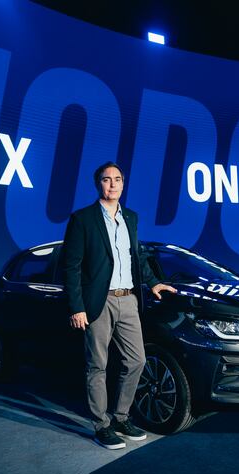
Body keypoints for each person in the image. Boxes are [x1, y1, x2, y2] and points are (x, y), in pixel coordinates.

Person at [62, 162, 177, 450]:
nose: (112, 184)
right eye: (106, 179)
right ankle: (101, 425)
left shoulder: (131, 218)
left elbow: (136, 256)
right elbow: (71, 266)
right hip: (98, 301)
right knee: (97, 365)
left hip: (128, 299)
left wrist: (153, 282)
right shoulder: (83, 218)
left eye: (117, 179)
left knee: (137, 360)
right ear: (98, 184)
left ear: (123, 184)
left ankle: (121, 417)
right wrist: (76, 306)